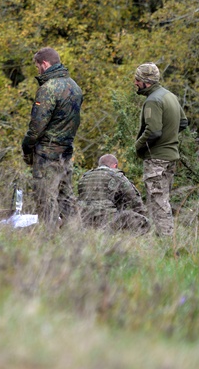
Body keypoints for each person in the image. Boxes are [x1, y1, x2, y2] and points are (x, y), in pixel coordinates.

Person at [21, 47, 83, 229]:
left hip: (47, 153)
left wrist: (27, 146)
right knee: (66, 197)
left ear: (45, 64)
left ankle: (48, 238)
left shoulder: (48, 89)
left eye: (38, 66)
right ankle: (75, 235)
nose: (38, 70)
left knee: (45, 197)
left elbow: (37, 126)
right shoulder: (75, 87)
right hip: (66, 151)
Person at [133, 63, 188, 237]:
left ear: (145, 82)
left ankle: (166, 241)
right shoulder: (170, 96)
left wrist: (137, 146)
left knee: (157, 201)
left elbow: (153, 131)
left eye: (137, 79)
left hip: (157, 158)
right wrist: (169, 137)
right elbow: (183, 123)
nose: (135, 82)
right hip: (171, 157)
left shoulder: (153, 100)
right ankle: (162, 238)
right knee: (162, 199)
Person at [76, 154, 150, 233]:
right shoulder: (116, 175)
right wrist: (143, 216)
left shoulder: (85, 176)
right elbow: (134, 199)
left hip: (84, 219)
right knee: (143, 221)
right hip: (107, 220)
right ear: (115, 166)